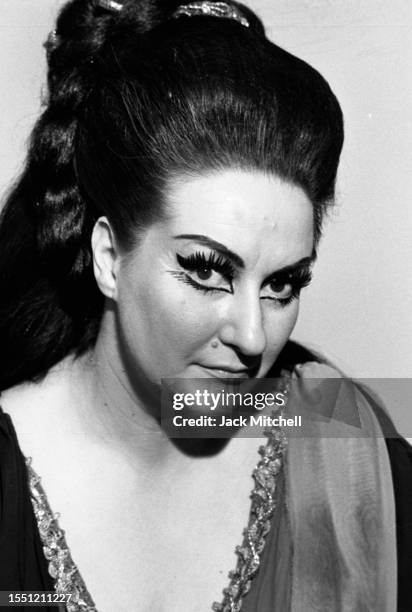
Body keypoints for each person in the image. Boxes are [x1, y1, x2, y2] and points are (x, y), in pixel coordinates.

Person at [0, 0, 410, 610]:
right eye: (207, 271)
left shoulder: (348, 457)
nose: (252, 336)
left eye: (283, 285)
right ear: (110, 257)